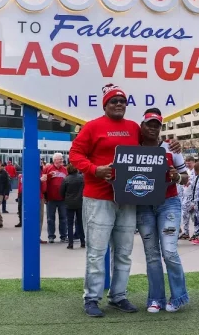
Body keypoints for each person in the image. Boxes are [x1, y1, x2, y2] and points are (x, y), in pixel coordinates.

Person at [69, 84, 141, 317]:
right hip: (98, 197)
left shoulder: (133, 128)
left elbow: (148, 152)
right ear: (105, 105)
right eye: (114, 101)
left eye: (122, 101)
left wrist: (170, 147)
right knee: (96, 252)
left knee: (124, 252)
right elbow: (75, 154)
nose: (119, 104)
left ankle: (118, 296)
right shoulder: (92, 127)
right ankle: (91, 298)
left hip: (127, 198)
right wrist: (93, 169)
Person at [136, 109, 189, 313]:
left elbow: (186, 178)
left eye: (156, 124)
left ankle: (178, 296)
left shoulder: (171, 148)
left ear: (160, 128)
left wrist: (176, 177)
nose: (152, 127)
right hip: (143, 206)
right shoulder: (134, 147)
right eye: (149, 123)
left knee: (169, 251)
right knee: (151, 255)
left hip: (168, 203)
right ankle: (155, 298)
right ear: (142, 125)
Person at [42, 153, 68, 243]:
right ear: (54, 160)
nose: (61, 160)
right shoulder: (47, 169)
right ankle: (51, 236)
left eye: (61, 159)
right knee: (50, 219)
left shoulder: (65, 170)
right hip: (51, 198)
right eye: (59, 159)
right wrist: (45, 196)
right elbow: (43, 182)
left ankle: (64, 236)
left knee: (64, 218)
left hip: (63, 199)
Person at [60, 163, 84, 250]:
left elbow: (62, 192)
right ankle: (83, 242)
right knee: (80, 223)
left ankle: (70, 243)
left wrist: (65, 198)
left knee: (69, 223)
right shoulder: (82, 178)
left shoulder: (66, 179)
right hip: (80, 202)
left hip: (69, 203)